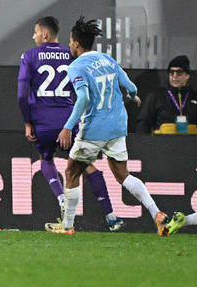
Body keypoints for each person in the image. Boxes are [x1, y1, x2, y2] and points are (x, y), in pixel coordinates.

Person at [48, 16, 169, 235]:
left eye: (70, 42)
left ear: (76, 43)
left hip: (94, 129)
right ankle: (157, 213)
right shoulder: (108, 60)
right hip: (118, 126)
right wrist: (133, 96)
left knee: (71, 172)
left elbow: (83, 98)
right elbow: (130, 86)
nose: (69, 45)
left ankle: (66, 226)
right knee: (124, 176)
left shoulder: (76, 66)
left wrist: (67, 126)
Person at [18, 16, 124, 231]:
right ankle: (111, 215)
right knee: (85, 165)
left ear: (44, 34)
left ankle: (61, 200)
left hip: (42, 121)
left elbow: (22, 94)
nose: (34, 36)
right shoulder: (71, 54)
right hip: (70, 119)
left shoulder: (29, 56)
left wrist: (27, 122)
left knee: (45, 159)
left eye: (35, 31)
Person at [136, 55, 197, 134]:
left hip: (190, 145)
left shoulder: (194, 97)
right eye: (171, 72)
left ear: (187, 75)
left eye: (179, 72)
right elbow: (143, 124)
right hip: (162, 145)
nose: (174, 76)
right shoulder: (156, 96)